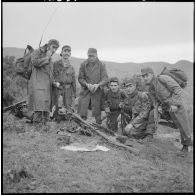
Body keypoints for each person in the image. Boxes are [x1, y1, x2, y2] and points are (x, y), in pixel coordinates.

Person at [141, 67, 193, 152]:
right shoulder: (151, 88)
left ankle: (186, 147)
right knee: (152, 113)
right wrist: (157, 109)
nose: (145, 78)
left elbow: (177, 89)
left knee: (183, 123)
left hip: (178, 104)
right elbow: (156, 101)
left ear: (152, 74)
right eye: (143, 76)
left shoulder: (162, 78)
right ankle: (149, 135)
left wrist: (176, 105)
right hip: (167, 107)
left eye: (147, 75)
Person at [28, 39, 60, 124]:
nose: (54, 50)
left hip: (47, 86)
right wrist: (47, 57)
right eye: (53, 47)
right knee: (38, 107)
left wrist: (53, 82)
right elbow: (35, 63)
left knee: (46, 108)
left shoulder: (49, 56)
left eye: (56, 48)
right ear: (48, 45)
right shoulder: (37, 52)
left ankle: (45, 128)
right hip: (38, 84)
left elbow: (49, 73)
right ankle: (36, 130)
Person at [117, 76, 155, 143]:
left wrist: (131, 124)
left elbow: (144, 114)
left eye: (130, 86)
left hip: (145, 121)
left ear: (135, 86)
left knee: (131, 132)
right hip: (136, 121)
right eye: (126, 87)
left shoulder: (143, 96)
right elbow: (127, 111)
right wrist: (121, 114)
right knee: (123, 130)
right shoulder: (128, 98)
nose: (128, 89)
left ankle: (148, 135)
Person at [77, 48, 109, 124]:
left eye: (93, 56)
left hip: (97, 91)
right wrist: (86, 84)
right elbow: (80, 78)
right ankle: (83, 124)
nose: (91, 58)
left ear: (96, 55)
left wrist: (98, 85)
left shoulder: (101, 65)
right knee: (83, 109)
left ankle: (98, 125)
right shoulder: (83, 64)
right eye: (89, 56)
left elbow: (105, 78)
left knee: (97, 109)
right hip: (86, 90)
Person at [52, 45, 76, 120]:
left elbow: (73, 81)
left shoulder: (71, 67)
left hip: (68, 90)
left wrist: (74, 93)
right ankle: (55, 124)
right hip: (57, 89)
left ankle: (67, 126)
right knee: (55, 108)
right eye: (65, 51)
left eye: (69, 52)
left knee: (68, 108)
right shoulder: (55, 64)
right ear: (61, 53)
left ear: (70, 54)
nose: (67, 53)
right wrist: (54, 83)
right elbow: (51, 77)